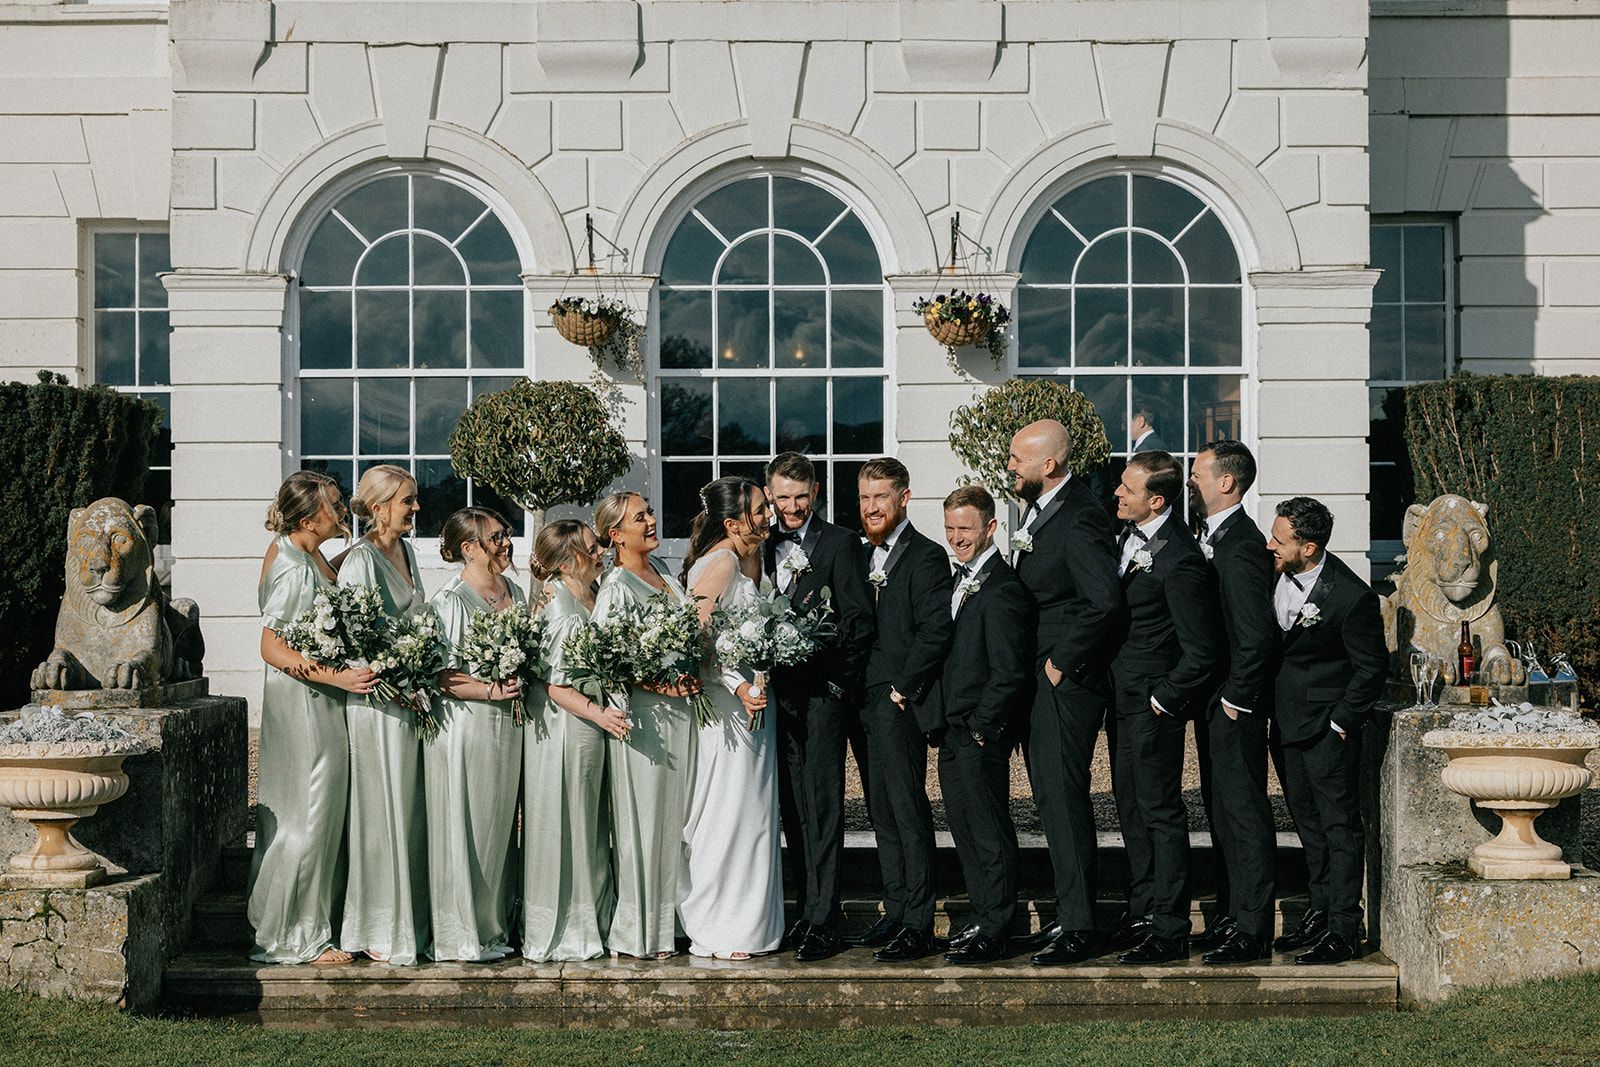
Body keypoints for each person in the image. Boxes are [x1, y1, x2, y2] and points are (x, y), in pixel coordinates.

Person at [1005, 419, 1121, 967]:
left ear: (1047, 465)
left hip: (1064, 686)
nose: (1010, 467)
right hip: (1039, 678)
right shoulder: (1041, 509)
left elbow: (1104, 602)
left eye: (1016, 460)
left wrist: (1059, 663)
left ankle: (1081, 926)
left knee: (1063, 798)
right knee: (1048, 799)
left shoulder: (1079, 517)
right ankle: (1068, 911)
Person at [249, 470, 374, 966]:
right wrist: (338, 678)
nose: (343, 510)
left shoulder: (302, 550)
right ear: (308, 517)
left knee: (311, 809)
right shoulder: (295, 567)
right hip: (305, 698)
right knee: (311, 809)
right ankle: (295, 936)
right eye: (336, 505)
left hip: (310, 696)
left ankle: (299, 920)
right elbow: (270, 646)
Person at [1106, 451, 1219, 964]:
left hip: (1152, 706)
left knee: (1161, 812)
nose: (1116, 494)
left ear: (1156, 499)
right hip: (1122, 701)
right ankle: (1144, 908)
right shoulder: (1126, 541)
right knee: (1130, 808)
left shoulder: (1181, 558)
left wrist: (1163, 697)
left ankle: (1171, 928)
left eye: (1126, 489)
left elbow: (1202, 649)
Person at [761, 452, 875, 963]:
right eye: (781, 497)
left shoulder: (841, 544)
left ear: (816, 493)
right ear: (768, 494)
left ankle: (826, 917)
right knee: (789, 808)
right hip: (771, 700)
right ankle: (803, 910)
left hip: (822, 698)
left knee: (824, 805)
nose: (791, 507)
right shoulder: (757, 547)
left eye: (800, 497)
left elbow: (858, 622)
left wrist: (837, 687)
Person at [1265, 497, 1388, 965]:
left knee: (1338, 827)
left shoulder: (1351, 597)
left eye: (1280, 538)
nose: (1270, 544)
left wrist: (1341, 721)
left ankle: (1343, 928)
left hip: (1325, 729)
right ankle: (1317, 915)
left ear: (1309, 548)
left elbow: (1370, 669)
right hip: (1283, 723)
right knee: (1307, 826)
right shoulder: (1273, 570)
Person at [846, 457, 953, 963]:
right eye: (865, 498)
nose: (871, 507)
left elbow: (936, 631)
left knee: (908, 809)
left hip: (899, 702)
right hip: (863, 702)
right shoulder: (858, 553)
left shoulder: (926, 557)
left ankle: (919, 921)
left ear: (903, 498)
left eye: (880, 498)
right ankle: (894, 910)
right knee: (880, 811)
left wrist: (902, 690)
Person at [591, 492, 701, 959]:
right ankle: (640, 932)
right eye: (641, 517)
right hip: (646, 721)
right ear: (616, 535)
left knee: (679, 820)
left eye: (651, 512)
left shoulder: (664, 576)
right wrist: (660, 685)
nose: (652, 520)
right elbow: (606, 660)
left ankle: (679, 921)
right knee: (647, 822)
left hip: (684, 717)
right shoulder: (616, 587)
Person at [679, 477, 786, 960]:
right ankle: (722, 926)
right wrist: (737, 684)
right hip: (728, 709)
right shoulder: (720, 563)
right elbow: (694, 640)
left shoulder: (751, 559)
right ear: (732, 522)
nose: (770, 515)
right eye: (761, 509)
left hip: (757, 705)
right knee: (728, 813)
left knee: (756, 814)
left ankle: (754, 923)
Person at [1187, 441, 1279, 964]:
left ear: (1228, 482)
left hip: (1234, 703)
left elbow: (1256, 635)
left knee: (1243, 811)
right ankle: (1227, 917)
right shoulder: (1214, 536)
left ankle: (1252, 929)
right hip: (1215, 698)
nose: (1192, 480)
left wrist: (1237, 699)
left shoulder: (1242, 544)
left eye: (1198, 473)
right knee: (1220, 810)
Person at [335, 464, 431, 965]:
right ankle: (375, 925)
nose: (416, 508)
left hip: (409, 698)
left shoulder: (409, 551)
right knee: (381, 810)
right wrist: (394, 683)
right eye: (407, 501)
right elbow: (354, 640)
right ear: (378, 508)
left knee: (409, 810)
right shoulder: (359, 561)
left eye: (414, 500)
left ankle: (408, 918)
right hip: (377, 701)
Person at [931, 486, 1030, 966]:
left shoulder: (1004, 588)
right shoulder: (958, 579)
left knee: (989, 831)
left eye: (965, 529)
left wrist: (980, 728)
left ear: (991, 527)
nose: (956, 538)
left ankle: (998, 927)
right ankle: (982, 914)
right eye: (950, 529)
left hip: (978, 733)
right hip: (953, 731)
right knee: (965, 831)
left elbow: (1009, 671)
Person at [523, 520, 625, 963]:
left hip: (589, 725)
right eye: (592, 546)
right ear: (567, 563)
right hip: (569, 728)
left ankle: (595, 918)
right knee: (569, 823)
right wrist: (602, 714)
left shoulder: (593, 594)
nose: (601, 550)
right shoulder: (562, 611)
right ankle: (570, 926)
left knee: (589, 826)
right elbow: (556, 686)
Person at [426, 507, 525, 962]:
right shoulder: (451, 601)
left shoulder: (515, 590)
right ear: (468, 548)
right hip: (468, 726)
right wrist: (489, 690)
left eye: (506, 535)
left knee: (499, 829)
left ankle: (494, 925)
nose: (506, 543)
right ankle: (462, 932)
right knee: (469, 825)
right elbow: (442, 676)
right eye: (496, 538)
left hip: (510, 728)